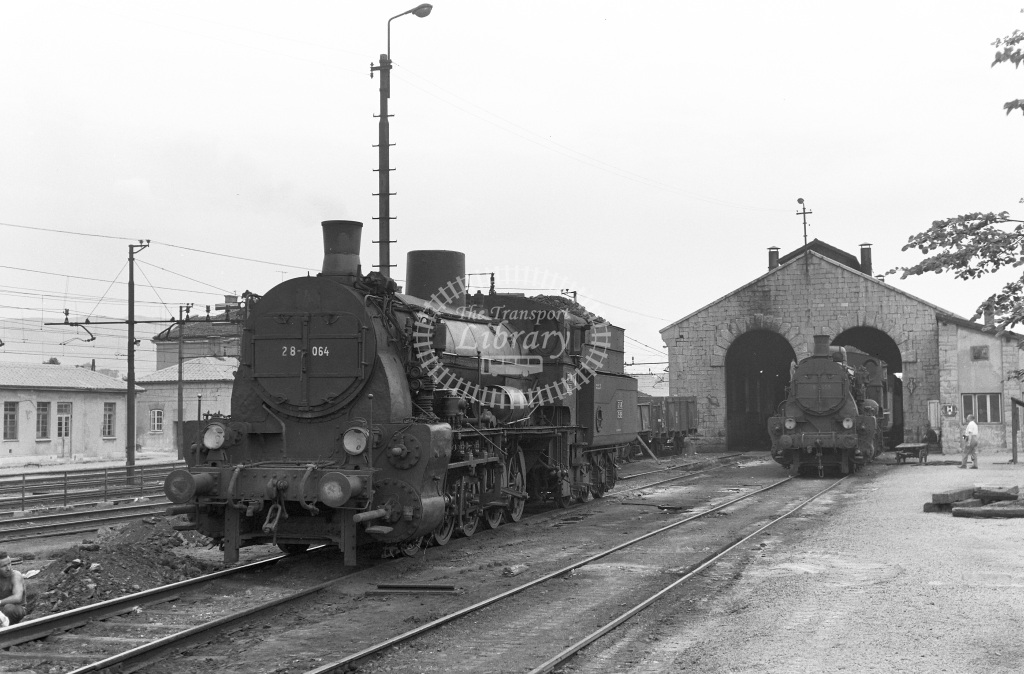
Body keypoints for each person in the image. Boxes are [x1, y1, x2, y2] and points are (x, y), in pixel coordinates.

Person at [0, 551, 27, 626]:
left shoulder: (15, 575)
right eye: (3, 566)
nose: (8, 568)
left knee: (9, 608)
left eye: (9, 564)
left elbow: (17, 598)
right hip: (1, 612)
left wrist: (0, 602)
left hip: (16, 609)